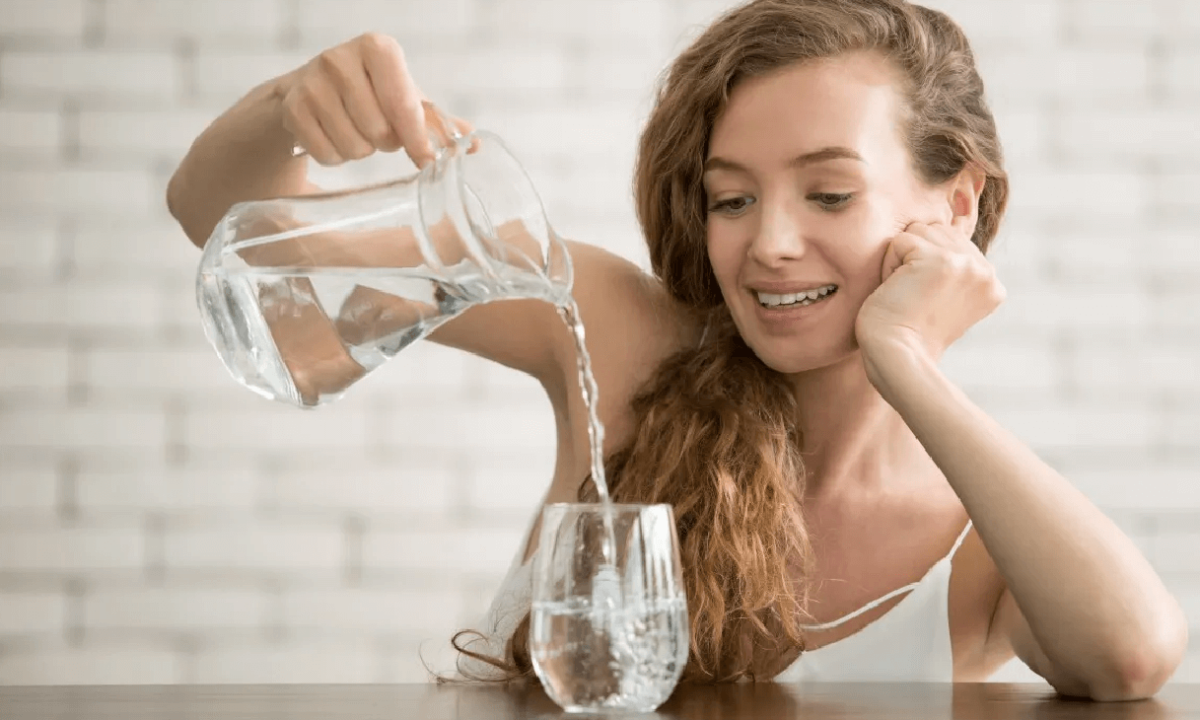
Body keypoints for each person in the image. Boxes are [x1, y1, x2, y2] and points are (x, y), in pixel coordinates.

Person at [167, 0, 1187, 699]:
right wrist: (292, 109)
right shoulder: (621, 334)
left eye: (829, 193)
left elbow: (1132, 655)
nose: (770, 242)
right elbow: (229, 222)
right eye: (731, 198)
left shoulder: (983, 544)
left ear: (954, 202)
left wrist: (907, 362)